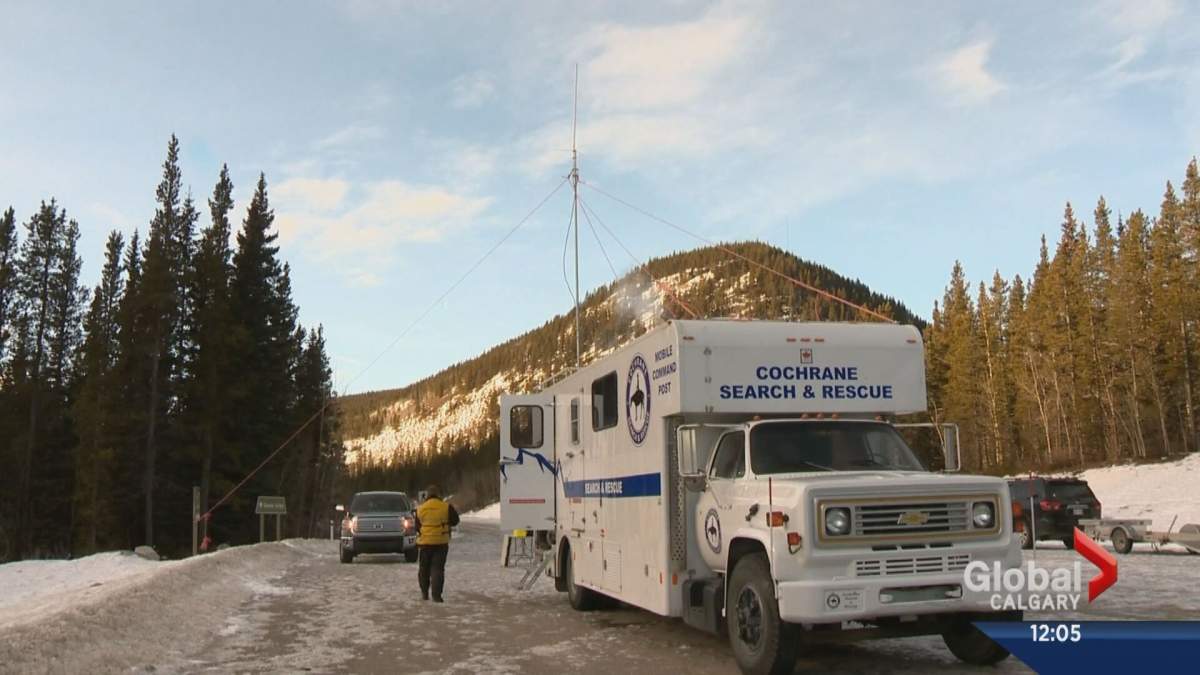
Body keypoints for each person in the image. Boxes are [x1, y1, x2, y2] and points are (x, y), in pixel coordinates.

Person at [413, 484, 459, 602]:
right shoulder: (446, 507)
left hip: (425, 543)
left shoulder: (420, 509)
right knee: (438, 569)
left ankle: (424, 593)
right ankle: (437, 596)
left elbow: (417, 527)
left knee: (424, 569)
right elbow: (455, 521)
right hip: (441, 543)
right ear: (438, 495)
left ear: (427, 495)